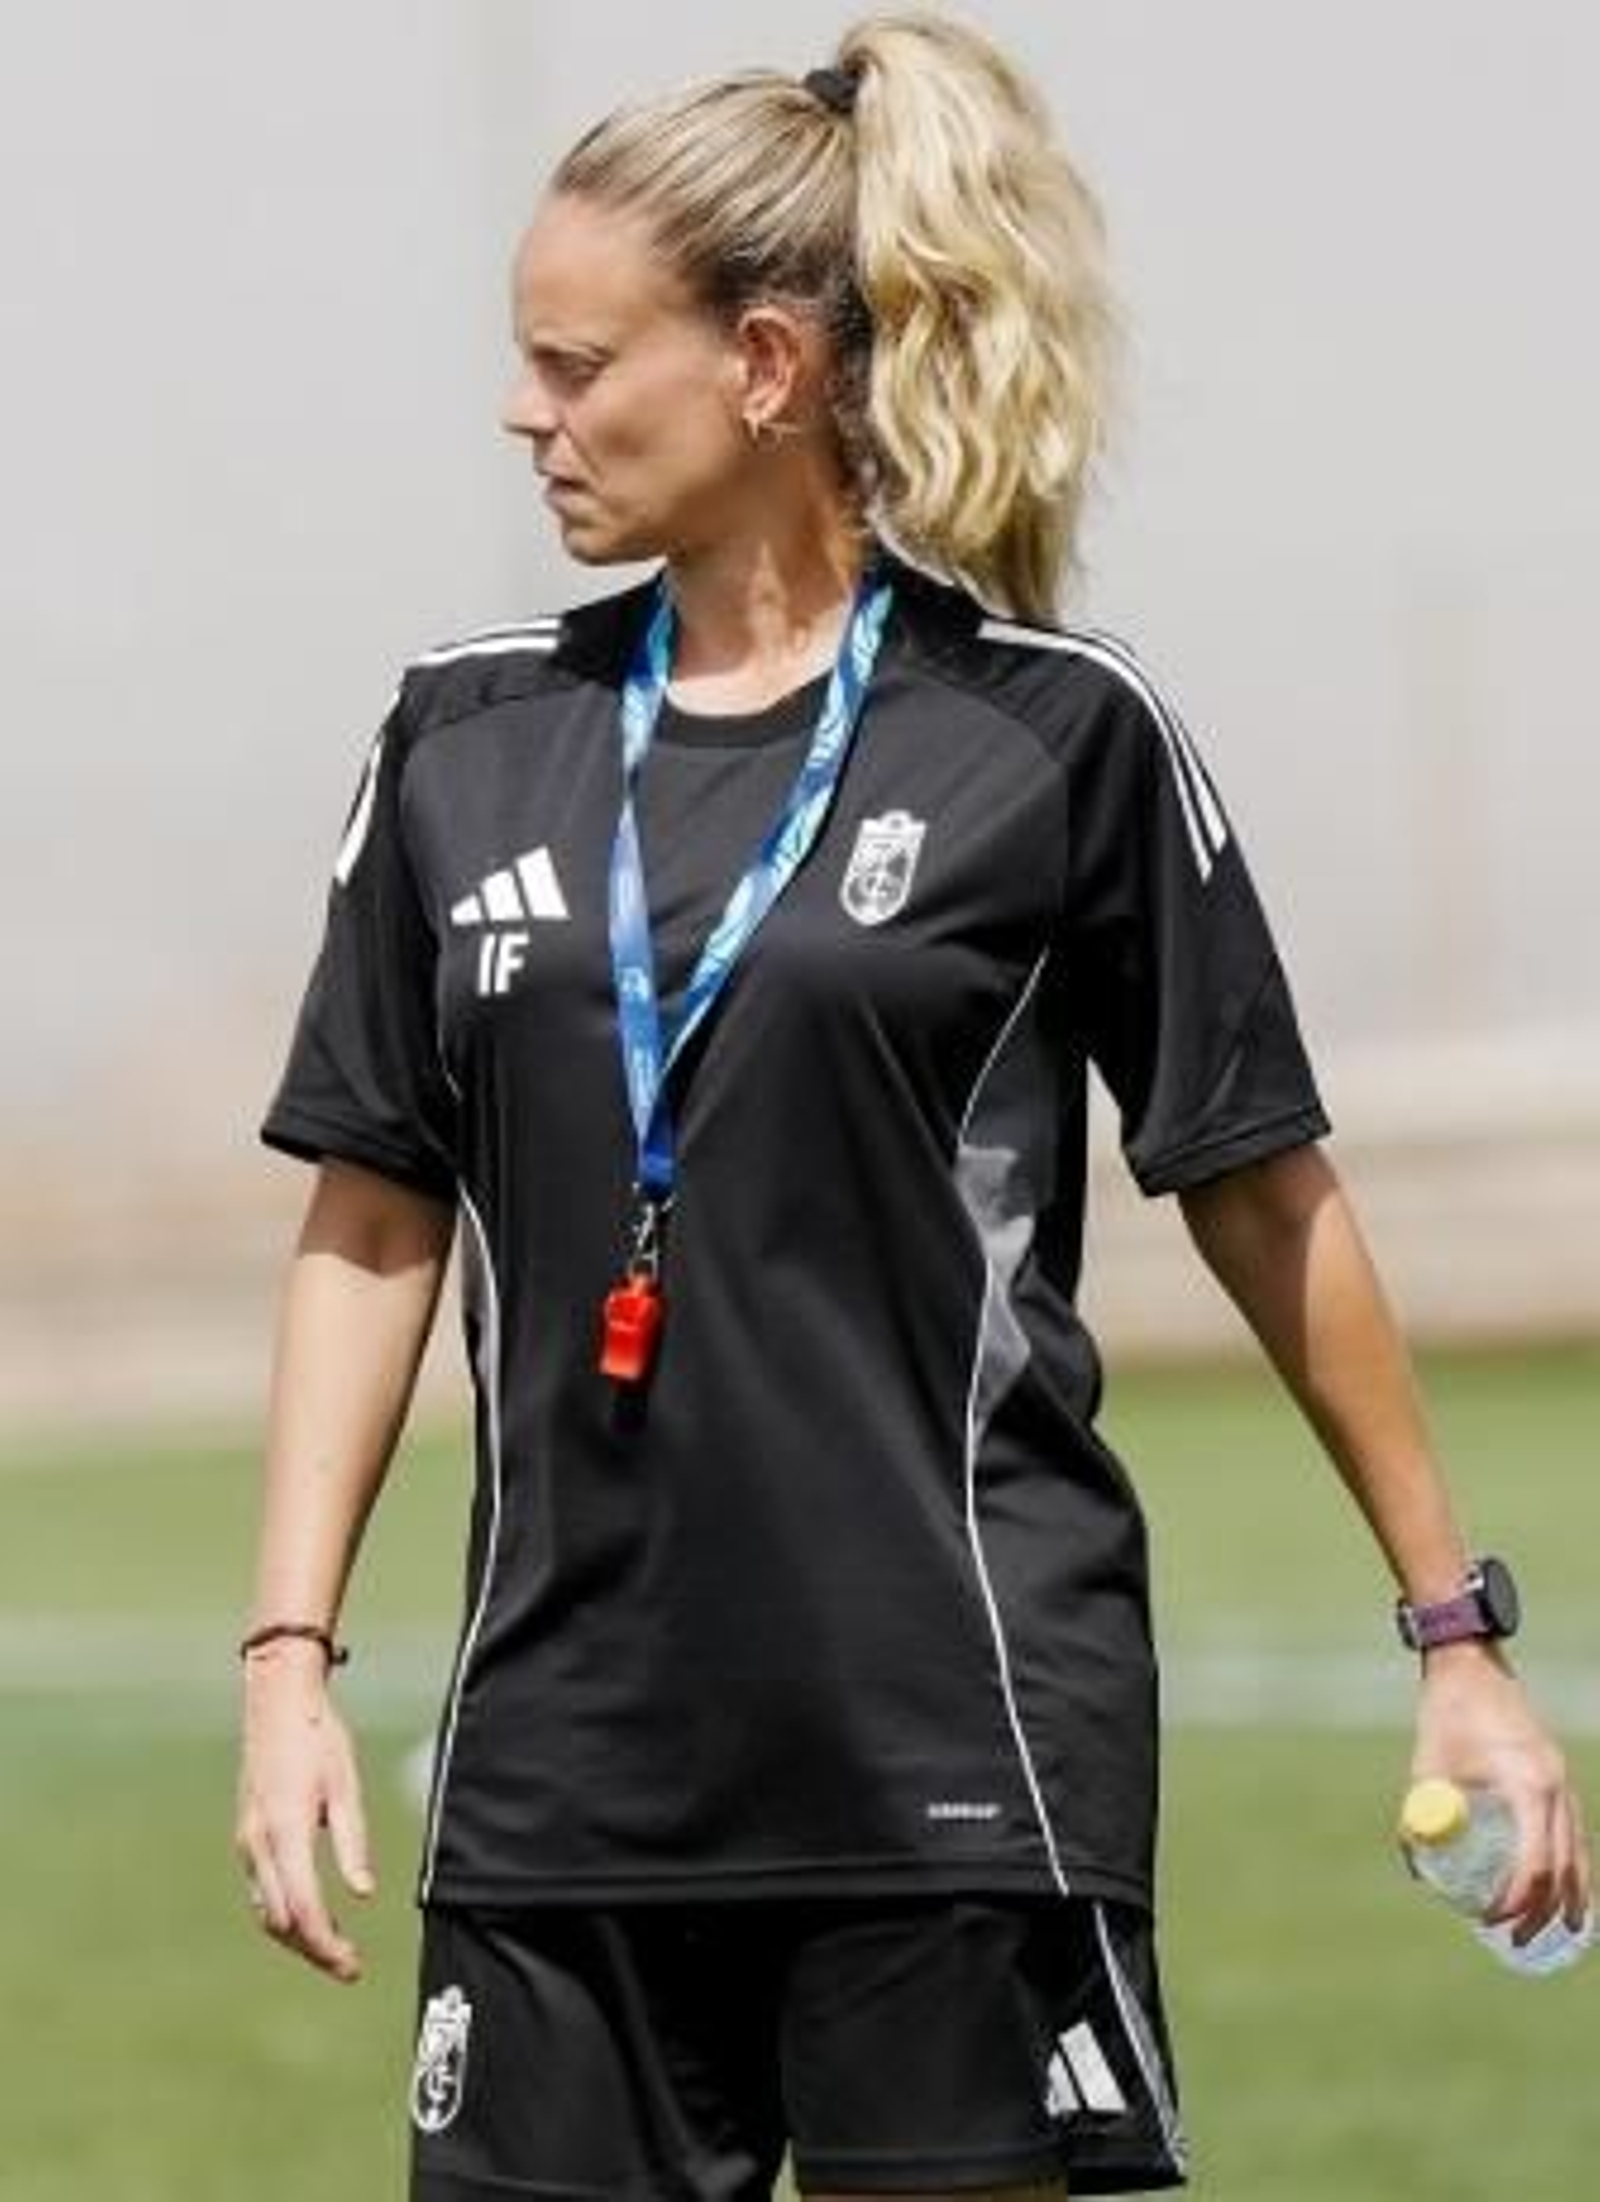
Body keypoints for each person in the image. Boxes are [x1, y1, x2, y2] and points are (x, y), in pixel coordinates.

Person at [236, 13, 1590, 2201]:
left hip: (957, 1762)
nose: (526, 411)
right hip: (558, 1781)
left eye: (579, 365)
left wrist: (1454, 1643)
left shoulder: (1052, 737)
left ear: (765, 367)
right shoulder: (453, 744)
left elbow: (1262, 1193)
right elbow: (375, 1214)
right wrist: (288, 1657)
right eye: (525, 358)